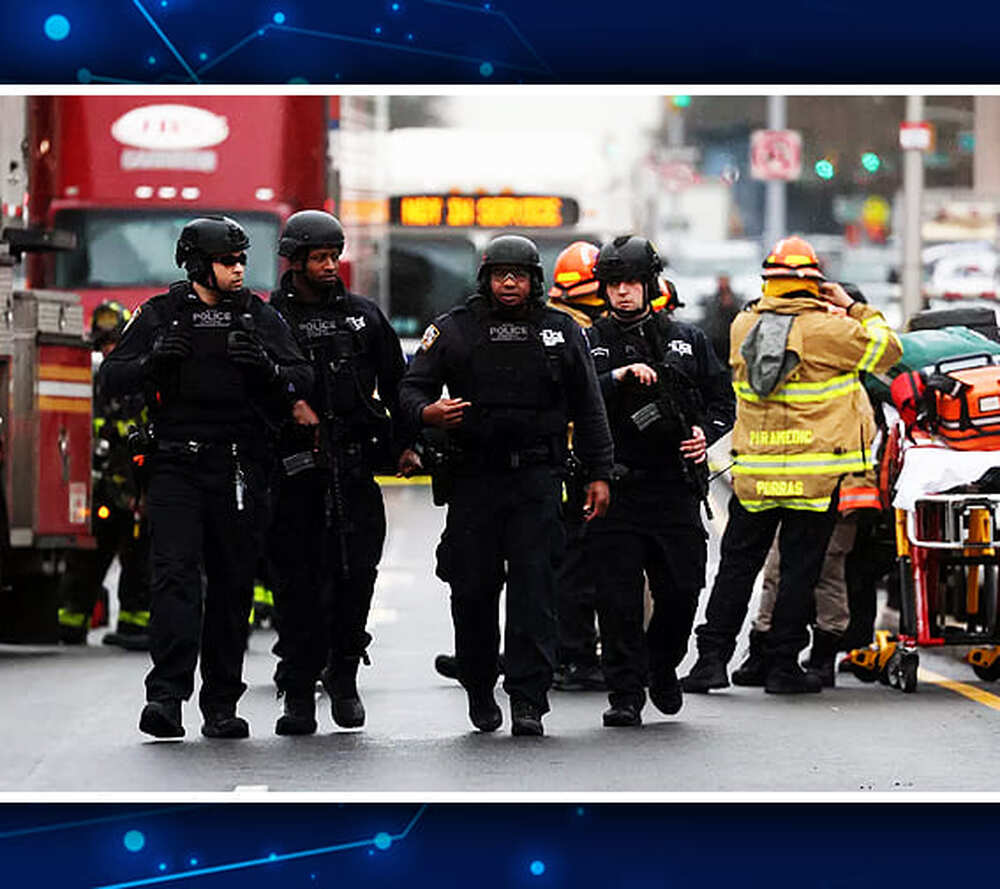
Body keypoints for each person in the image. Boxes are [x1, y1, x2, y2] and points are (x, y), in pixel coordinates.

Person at [99, 216, 312, 739]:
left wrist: (265, 367)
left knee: (233, 585)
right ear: (198, 265)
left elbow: (301, 377)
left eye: (242, 261)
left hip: (238, 465)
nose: (239, 270)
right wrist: (152, 361)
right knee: (173, 577)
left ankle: (221, 704)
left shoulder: (258, 316)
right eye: (228, 262)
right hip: (175, 465)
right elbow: (110, 377)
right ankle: (167, 698)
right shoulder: (161, 314)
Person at [400, 234, 613, 736]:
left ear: (534, 280)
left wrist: (600, 472)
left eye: (518, 274)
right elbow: (411, 388)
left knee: (534, 594)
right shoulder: (455, 331)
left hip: (538, 481)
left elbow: (589, 408)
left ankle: (528, 700)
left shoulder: (560, 332)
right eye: (500, 275)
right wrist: (426, 414)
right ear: (486, 279)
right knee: (472, 590)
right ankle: (479, 687)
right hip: (475, 480)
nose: (510, 283)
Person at [682, 236, 901, 695]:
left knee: (736, 569)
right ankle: (783, 666)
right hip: (813, 477)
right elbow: (888, 351)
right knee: (800, 572)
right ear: (814, 283)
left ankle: (710, 660)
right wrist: (852, 307)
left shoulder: (745, 323)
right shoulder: (829, 330)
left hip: (757, 476)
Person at [267, 209, 417, 735]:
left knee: (356, 579)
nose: (330, 266)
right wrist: (289, 408)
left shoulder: (363, 317)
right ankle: (298, 691)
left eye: (335, 256)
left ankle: (346, 674)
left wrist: (407, 445)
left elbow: (401, 388)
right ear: (296, 260)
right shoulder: (268, 318)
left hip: (354, 468)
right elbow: (251, 389)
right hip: (294, 474)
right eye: (319, 258)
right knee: (298, 588)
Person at [586, 235, 734, 727]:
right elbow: (569, 402)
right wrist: (617, 379)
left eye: (632, 283)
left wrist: (702, 434)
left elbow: (722, 403)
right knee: (618, 599)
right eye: (614, 284)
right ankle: (625, 692)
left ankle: (662, 665)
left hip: (674, 489)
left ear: (649, 285)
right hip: (616, 488)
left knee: (682, 590)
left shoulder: (687, 340)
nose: (623, 293)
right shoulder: (588, 342)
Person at [57, 301, 152, 651]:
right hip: (100, 489)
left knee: (140, 557)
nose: (108, 350)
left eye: (114, 342)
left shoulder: (142, 377)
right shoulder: (93, 379)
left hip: (137, 490)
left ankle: (135, 622)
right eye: (102, 344)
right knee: (85, 559)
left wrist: (143, 492)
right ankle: (72, 621)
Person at [697, 274, 742, 367]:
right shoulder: (711, 299)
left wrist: (731, 306)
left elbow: (739, 316)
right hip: (716, 340)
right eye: (721, 281)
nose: (723, 284)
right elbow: (708, 317)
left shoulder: (736, 299)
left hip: (731, 339)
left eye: (725, 281)